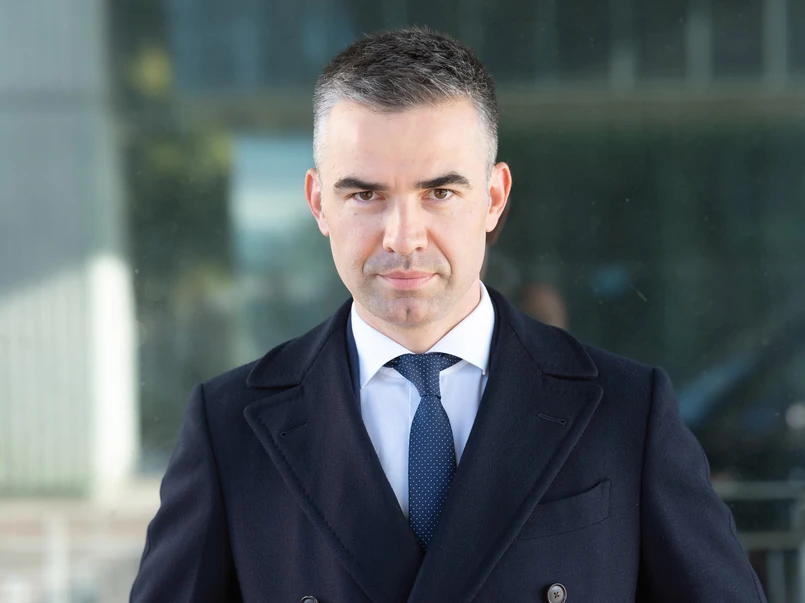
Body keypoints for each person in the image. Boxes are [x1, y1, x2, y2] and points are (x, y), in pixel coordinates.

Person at [130, 27, 767, 603]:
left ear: (493, 198)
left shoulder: (627, 413)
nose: (403, 237)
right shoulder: (229, 429)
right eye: (366, 194)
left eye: (439, 192)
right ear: (319, 202)